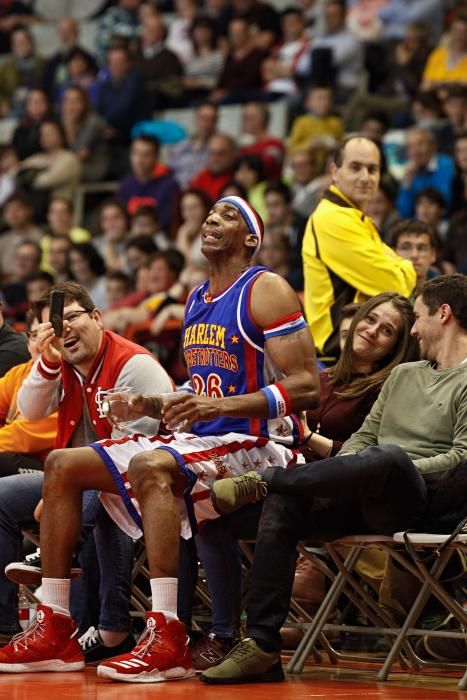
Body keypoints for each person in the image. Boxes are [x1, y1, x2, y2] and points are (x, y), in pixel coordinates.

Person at [0, 196, 319, 680]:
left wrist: (219, 407)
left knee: (150, 466)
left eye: (228, 215)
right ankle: (56, 626)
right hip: (207, 438)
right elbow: (206, 390)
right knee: (63, 465)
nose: (212, 219)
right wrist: (149, 406)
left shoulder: (266, 288)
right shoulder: (197, 298)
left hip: (260, 442)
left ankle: (167, 631)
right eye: (210, 212)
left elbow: (307, 387)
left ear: (251, 239)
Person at [204, 272, 467, 684]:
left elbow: (462, 459)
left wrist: (394, 465)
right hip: (362, 489)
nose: (413, 330)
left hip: (419, 500)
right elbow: (362, 438)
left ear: (444, 314)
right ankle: (261, 645)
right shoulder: (403, 375)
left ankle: (270, 478)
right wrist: (366, 466)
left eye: (416, 318)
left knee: (389, 457)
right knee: (286, 503)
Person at [0, 281, 174, 657]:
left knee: (105, 493)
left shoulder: (134, 364)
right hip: (72, 480)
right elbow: (29, 410)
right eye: (55, 326)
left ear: (97, 317)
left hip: (150, 481)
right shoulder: (62, 366)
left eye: (73, 317)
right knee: (2, 497)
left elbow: (133, 456)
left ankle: (109, 627)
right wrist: (46, 362)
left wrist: (62, 496)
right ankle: (4, 624)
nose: (65, 331)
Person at [302, 135, 416, 358]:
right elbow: (396, 286)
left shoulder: (353, 216)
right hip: (338, 352)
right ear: (335, 171)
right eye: (355, 167)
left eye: (372, 169)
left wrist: (402, 270)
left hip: (357, 346)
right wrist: (406, 268)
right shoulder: (333, 218)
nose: (365, 177)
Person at [0, 309, 57, 478]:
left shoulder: (68, 378)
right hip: (15, 456)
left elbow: (25, 437)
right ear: (27, 343)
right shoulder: (18, 372)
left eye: (48, 336)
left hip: (50, 467)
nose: (41, 343)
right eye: (35, 336)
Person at [117, 135, 180, 233]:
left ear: (156, 157)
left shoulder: (169, 186)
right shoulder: (125, 185)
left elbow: (167, 222)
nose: (139, 160)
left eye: (146, 155)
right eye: (135, 153)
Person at [391, 220, 439, 288]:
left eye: (421, 248)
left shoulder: (445, 294)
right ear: (393, 253)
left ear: (433, 254)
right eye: (405, 248)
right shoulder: (378, 292)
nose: (414, 255)